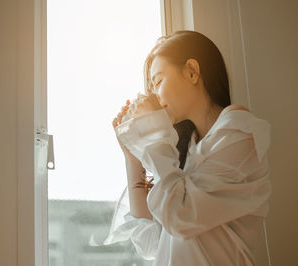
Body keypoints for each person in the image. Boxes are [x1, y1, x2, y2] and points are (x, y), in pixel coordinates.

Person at [105, 31, 272, 266]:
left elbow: (180, 216)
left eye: (159, 81)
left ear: (192, 72)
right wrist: (132, 158)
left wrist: (152, 132)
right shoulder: (187, 150)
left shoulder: (239, 130)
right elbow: (150, 242)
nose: (154, 95)